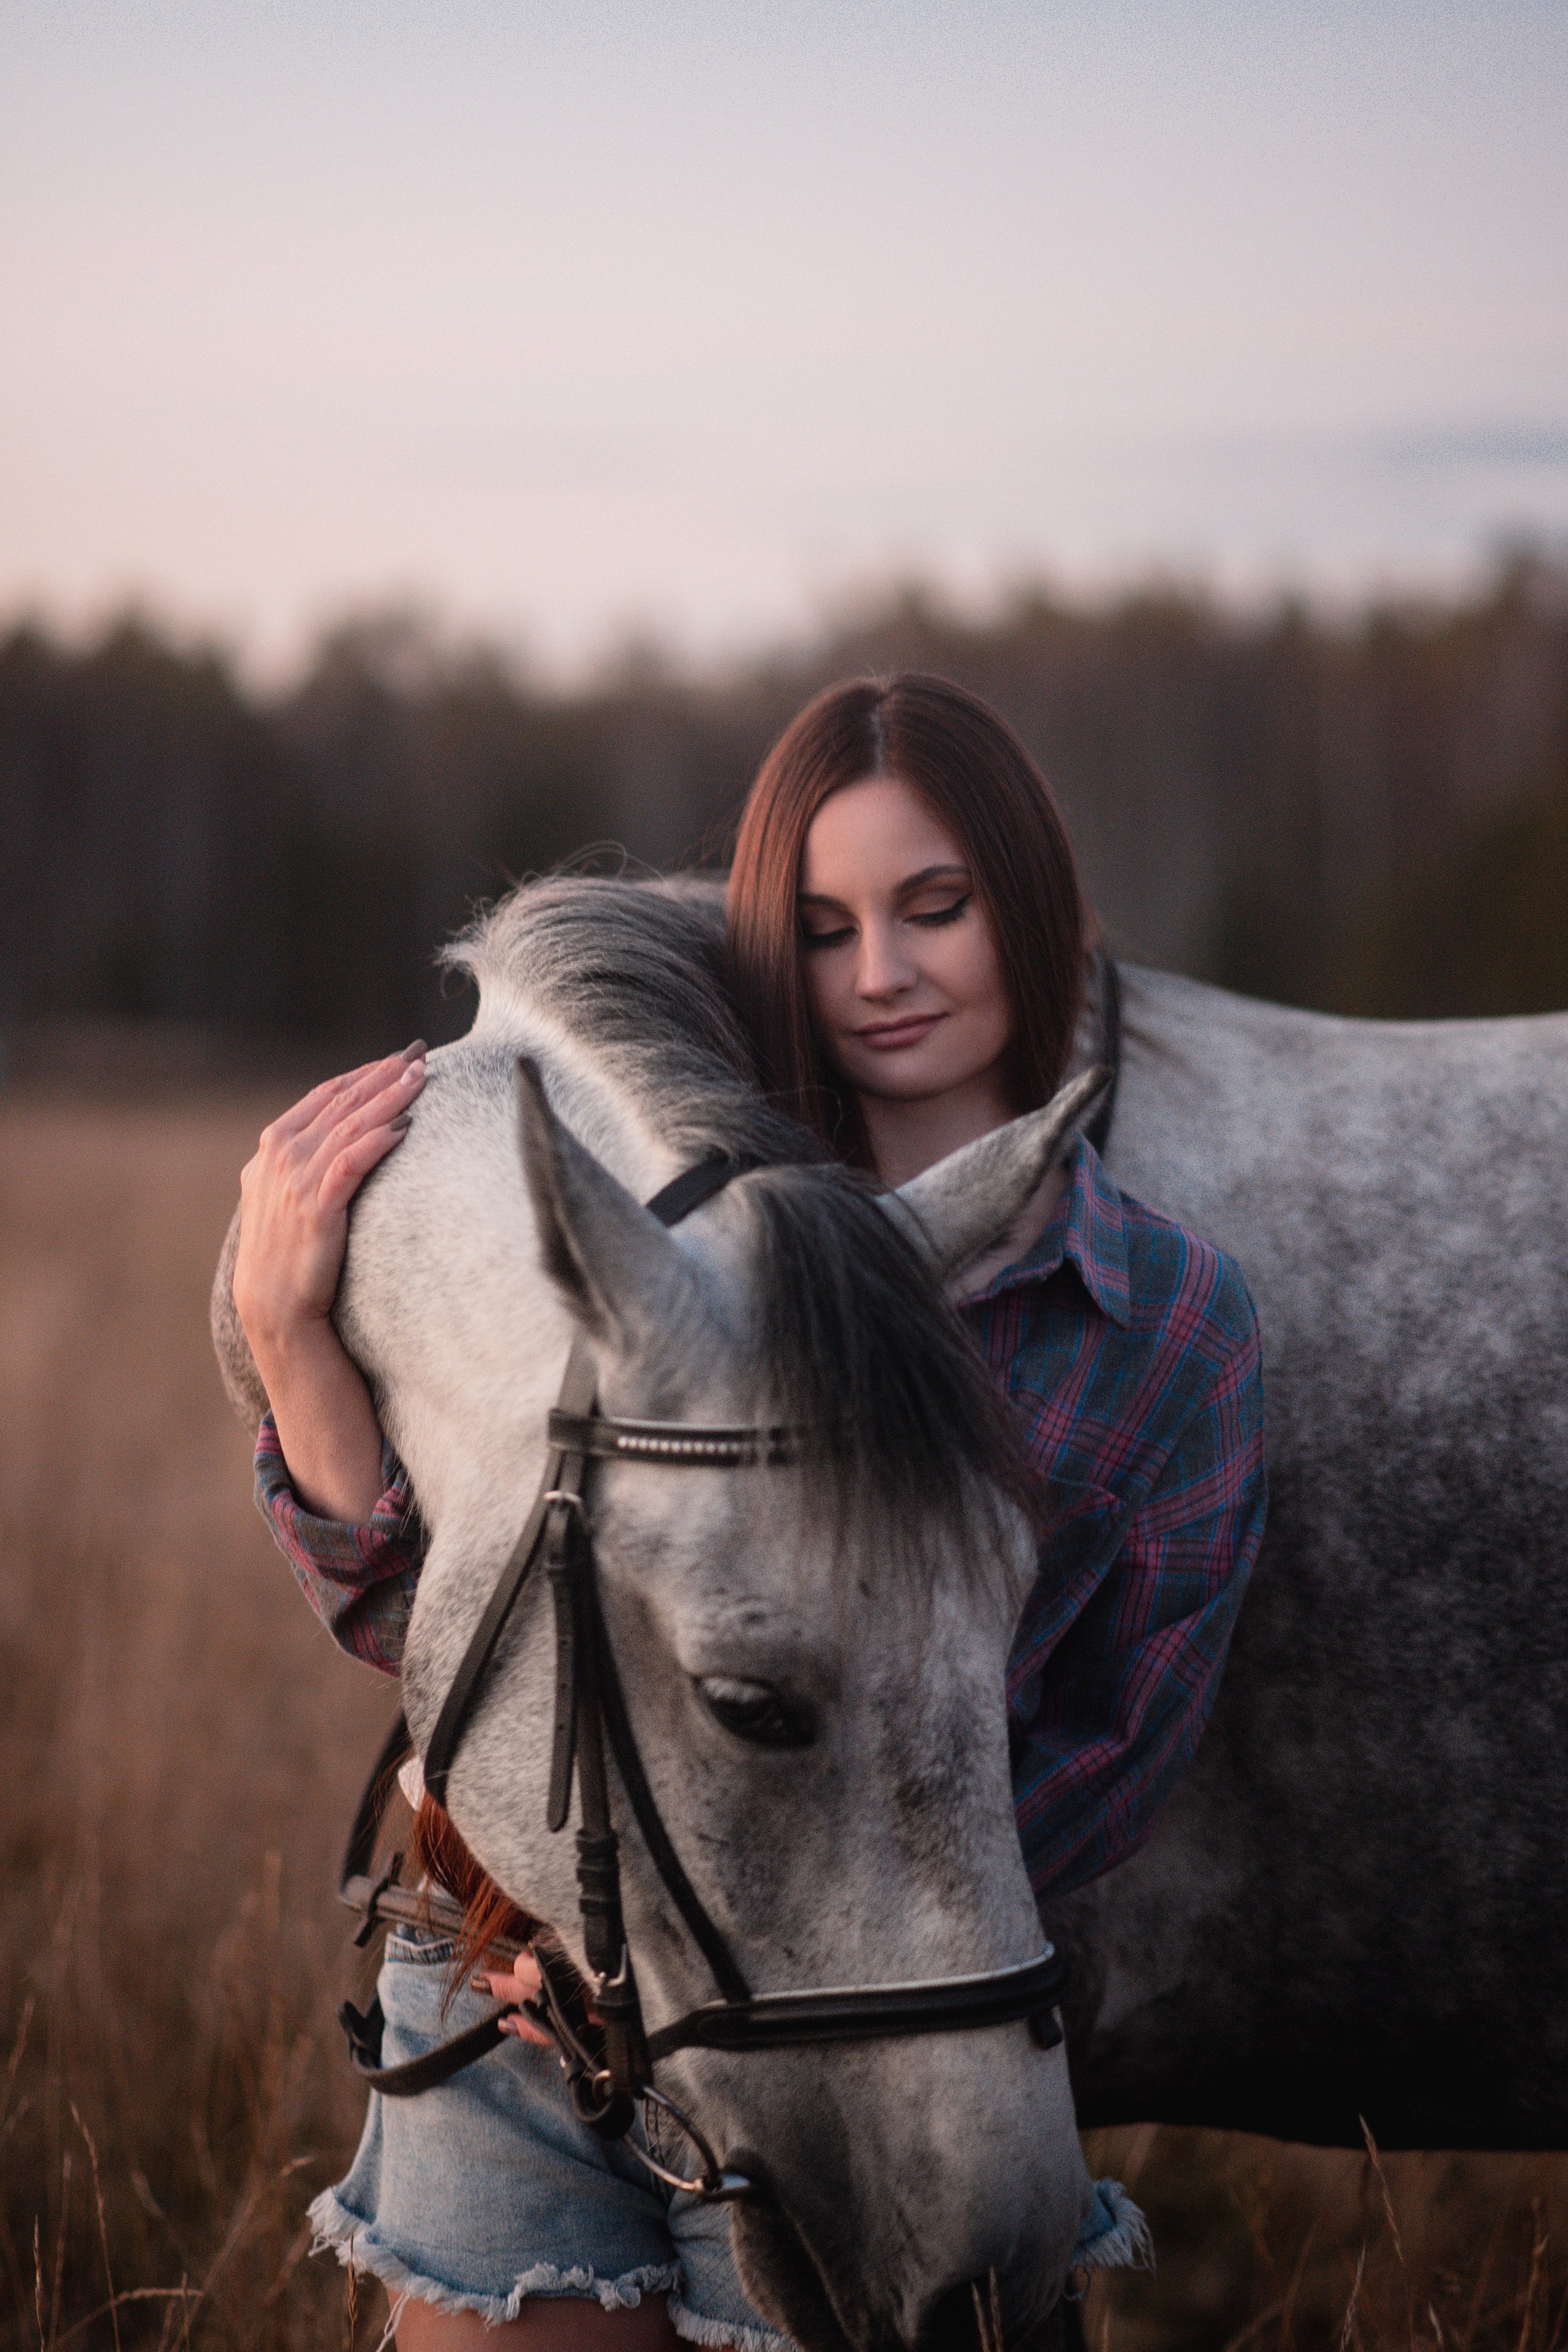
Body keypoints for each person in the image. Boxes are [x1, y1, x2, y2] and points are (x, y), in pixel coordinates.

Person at [233, 674, 1266, 2350]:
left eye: (936, 907)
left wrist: (735, 1942)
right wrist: (293, 1341)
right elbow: (423, 1630)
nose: (882, 973)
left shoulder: (1161, 1326)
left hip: (865, 2058)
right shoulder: (659, 1243)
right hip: (513, 1995)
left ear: (1035, 906)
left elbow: (1105, 1758)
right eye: (824, 925)